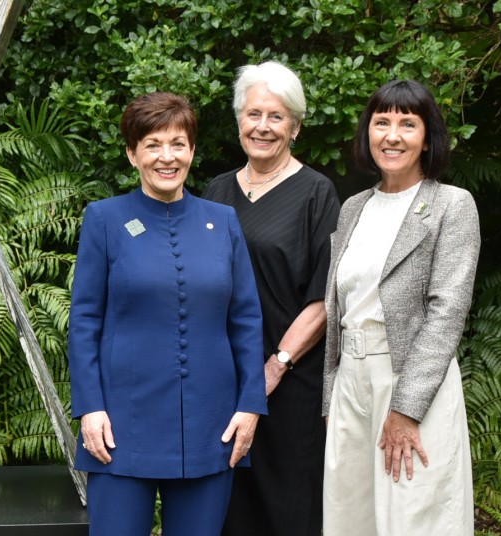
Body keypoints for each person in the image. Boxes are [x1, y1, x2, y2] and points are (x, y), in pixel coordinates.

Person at [68, 92, 268, 536]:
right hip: (121, 424)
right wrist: (90, 407)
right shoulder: (104, 219)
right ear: (132, 153)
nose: (167, 156)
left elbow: (247, 320)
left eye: (178, 144)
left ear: (192, 151)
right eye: (153, 144)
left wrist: (250, 406)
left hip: (211, 426)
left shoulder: (224, 221)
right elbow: (84, 320)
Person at [322, 80, 480, 535]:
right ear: (367, 133)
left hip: (412, 380)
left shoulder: (452, 205)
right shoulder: (353, 207)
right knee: (350, 515)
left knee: (414, 515)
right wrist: (333, 395)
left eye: (407, 124)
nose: (392, 136)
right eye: (382, 123)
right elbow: (339, 307)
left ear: (427, 138)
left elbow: (447, 311)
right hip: (351, 382)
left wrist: (406, 409)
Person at [203, 61, 340, 536]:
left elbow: (325, 298)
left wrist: (276, 363)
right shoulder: (214, 192)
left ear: (295, 127)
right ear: (239, 120)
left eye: (276, 117)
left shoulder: (317, 194)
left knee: (288, 506)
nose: (263, 126)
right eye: (254, 114)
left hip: (291, 379)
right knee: (229, 504)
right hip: (223, 378)